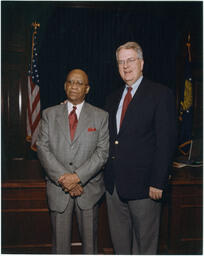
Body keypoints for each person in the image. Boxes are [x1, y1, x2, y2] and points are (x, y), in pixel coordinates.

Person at [104, 41, 177, 254]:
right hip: (114, 188)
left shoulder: (160, 94)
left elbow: (166, 141)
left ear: (142, 63)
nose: (125, 66)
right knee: (120, 246)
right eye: (120, 62)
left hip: (146, 187)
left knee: (144, 246)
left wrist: (158, 181)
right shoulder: (112, 98)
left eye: (130, 60)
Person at [36, 69, 109, 254]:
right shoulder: (49, 114)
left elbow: (102, 153)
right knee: (60, 247)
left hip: (88, 191)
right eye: (70, 82)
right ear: (64, 86)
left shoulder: (101, 116)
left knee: (90, 247)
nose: (74, 86)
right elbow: (43, 149)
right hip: (58, 190)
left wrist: (77, 177)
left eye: (79, 83)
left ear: (87, 89)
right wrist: (65, 179)